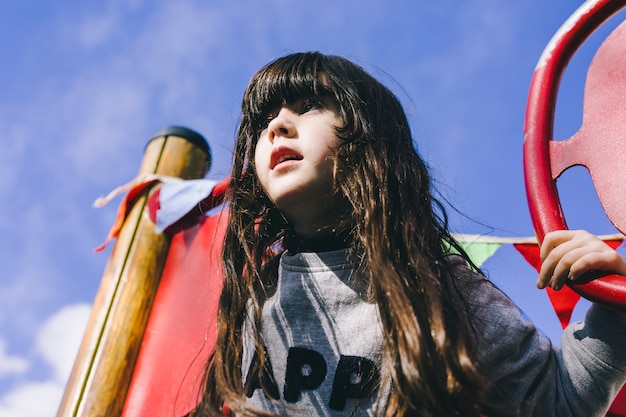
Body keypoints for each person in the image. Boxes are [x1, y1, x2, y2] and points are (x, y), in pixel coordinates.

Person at [191, 52, 626, 416]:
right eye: (265, 119)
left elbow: (558, 403)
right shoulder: (253, 301)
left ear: (371, 142)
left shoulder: (441, 290)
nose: (276, 126)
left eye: (308, 106)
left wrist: (616, 306)